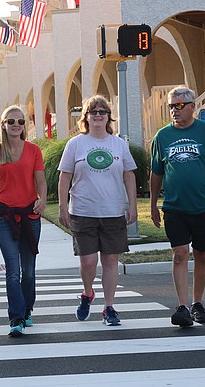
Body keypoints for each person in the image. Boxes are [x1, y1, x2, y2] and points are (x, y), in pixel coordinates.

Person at [149, 86, 205, 327]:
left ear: (191, 107)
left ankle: (197, 303)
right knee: (180, 253)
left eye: (178, 106)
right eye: (170, 106)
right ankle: (182, 307)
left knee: (202, 253)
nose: (174, 111)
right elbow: (156, 173)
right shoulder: (162, 137)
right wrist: (153, 204)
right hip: (175, 207)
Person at [58, 95, 137, 326]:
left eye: (103, 112)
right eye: (94, 112)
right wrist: (63, 207)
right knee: (88, 262)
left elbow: (129, 175)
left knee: (111, 260)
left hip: (112, 211)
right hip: (83, 211)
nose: (98, 116)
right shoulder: (75, 144)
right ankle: (87, 292)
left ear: (108, 117)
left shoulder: (118, 144)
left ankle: (109, 307)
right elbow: (65, 177)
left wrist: (132, 205)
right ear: (86, 117)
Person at [0, 105, 47, 337]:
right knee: (12, 269)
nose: (15, 125)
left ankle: (27, 309)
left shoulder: (33, 150)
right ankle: (16, 318)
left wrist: (43, 200)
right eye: (11, 122)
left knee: (28, 270)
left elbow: (40, 179)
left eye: (20, 122)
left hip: (30, 216)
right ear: (3, 125)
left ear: (24, 126)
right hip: (4, 216)